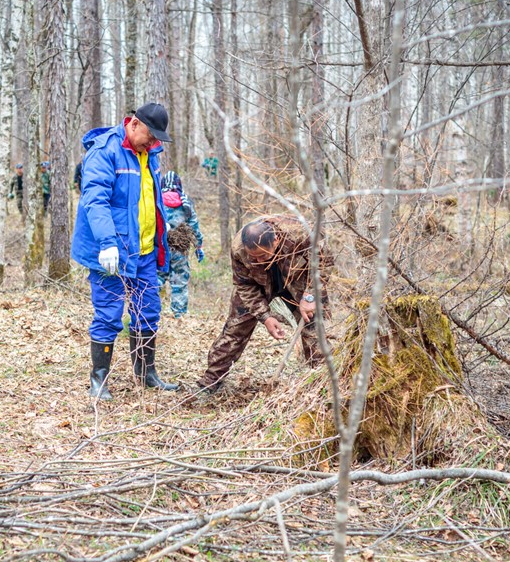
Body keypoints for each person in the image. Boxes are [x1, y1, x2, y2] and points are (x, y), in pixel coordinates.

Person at [71, 103, 180, 400]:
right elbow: (95, 201)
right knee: (108, 314)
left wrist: (162, 225)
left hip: (144, 250)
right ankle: (99, 380)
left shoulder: (150, 154)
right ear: (133, 124)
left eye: (157, 138)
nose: (153, 142)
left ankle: (146, 374)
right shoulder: (105, 151)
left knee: (148, 311)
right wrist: (107, 243)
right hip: (113, 252)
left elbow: (148, 198)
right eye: (150, 135)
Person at [199, 215, 333, 393]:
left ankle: (322, 381)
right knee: (235, 328)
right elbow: (243, 285)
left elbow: (325, 262)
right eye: (254, 257)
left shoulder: (301, 234)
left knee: (313, 326)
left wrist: (311, 296)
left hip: (299, 280)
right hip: (257, 282)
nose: (260, 261)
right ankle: (210, 381)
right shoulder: (239, 248)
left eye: (263, 255)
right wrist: (265, 316)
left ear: (276, 240)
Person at [157, 171, 204, 318]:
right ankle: (179, 315)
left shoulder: (156, 200)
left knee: (156, 278)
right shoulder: (185, 203)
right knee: (179, 281)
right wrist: (198, 246)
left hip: (160, 248)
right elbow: (194, 226)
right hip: (180, 248)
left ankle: (150, 311)